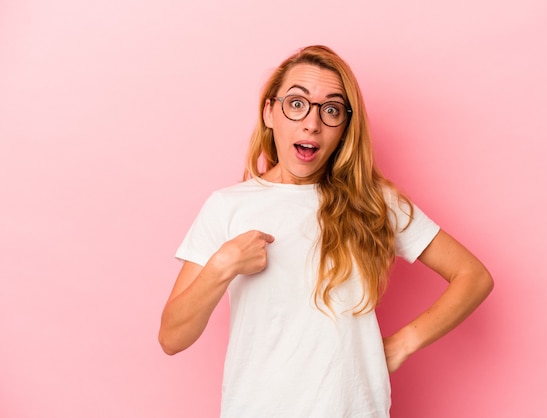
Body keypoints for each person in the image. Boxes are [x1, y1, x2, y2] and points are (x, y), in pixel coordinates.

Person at [158, 45, 494, 418]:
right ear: (270, 112)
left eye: (331, 110)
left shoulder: (372, 201)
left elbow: (473, 276)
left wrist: (403, 344)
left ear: (345, 128)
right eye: (297, 103)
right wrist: (223, 265)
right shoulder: (227, 206)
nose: (312, 123)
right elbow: (172, 338)